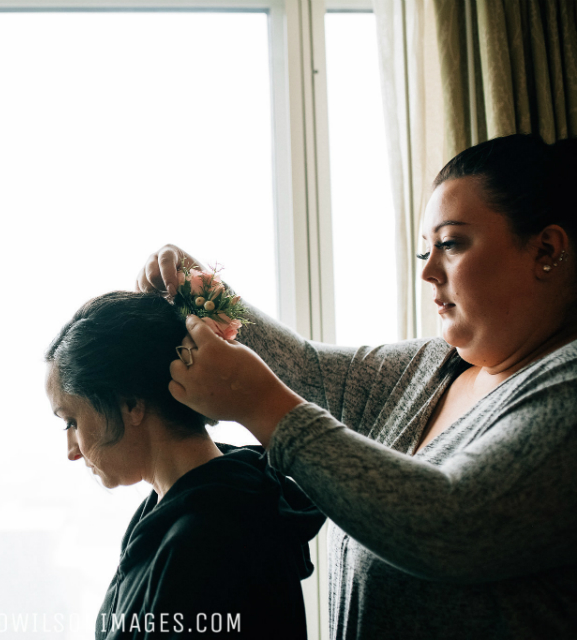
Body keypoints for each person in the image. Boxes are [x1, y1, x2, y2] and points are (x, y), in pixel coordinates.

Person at [137, 133, 577, 639]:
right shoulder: (429, 367)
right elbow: (305, 368)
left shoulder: (566, 389)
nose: (429, 271)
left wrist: (262, 406)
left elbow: (449, 524)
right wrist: (202, 294)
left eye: (451, 244)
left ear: (546, 249)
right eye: (424, 252)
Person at [45, 291, 325, 640]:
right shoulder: (175, 509)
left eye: (71, 421)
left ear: (131, 403)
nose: (72, 451)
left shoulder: (205, 544)